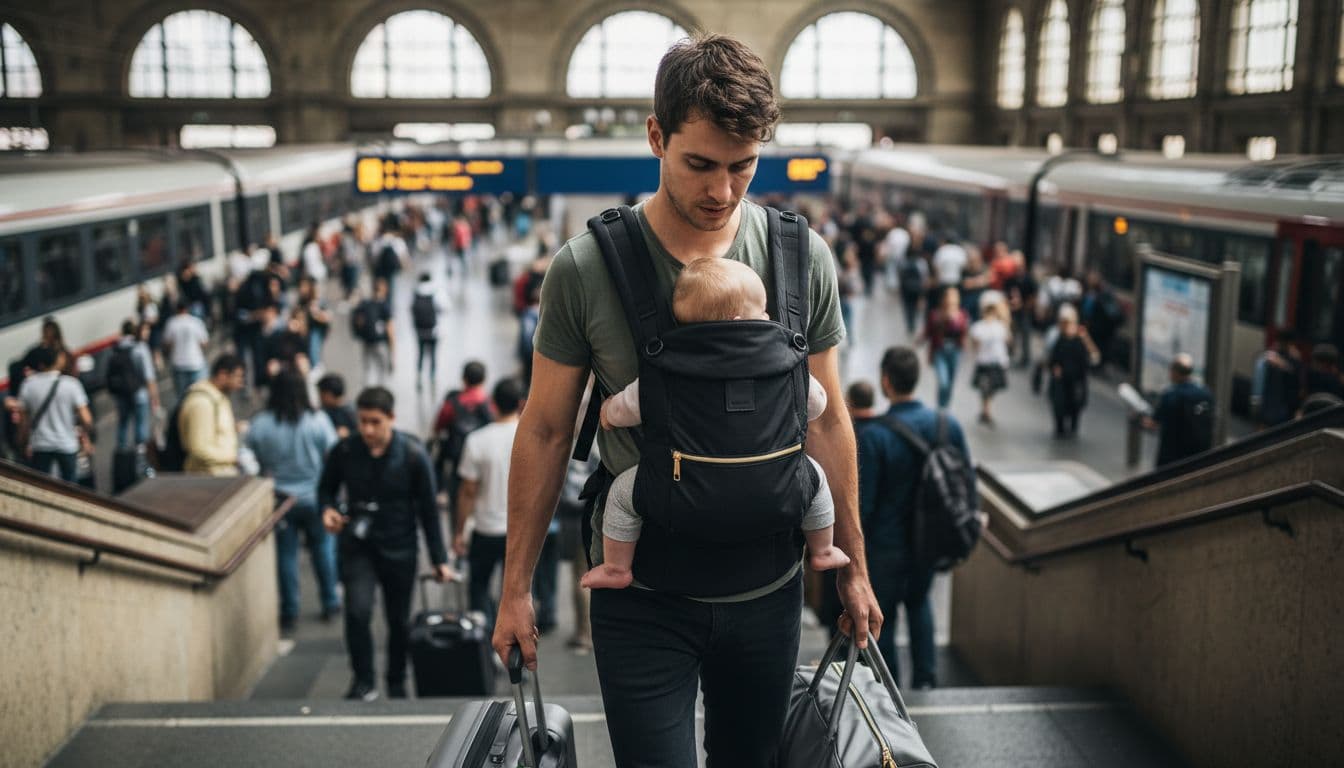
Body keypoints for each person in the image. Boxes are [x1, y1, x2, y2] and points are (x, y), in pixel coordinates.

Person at [497, 35, 878, 768]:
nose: (723, 192)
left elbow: (829, 419)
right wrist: (516, 588)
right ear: (656, 137)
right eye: (700, 164)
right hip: (642, 593)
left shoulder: (802, 259)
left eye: (743, 166)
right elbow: (545, 430)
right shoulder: (586, 268)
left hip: (768, 589)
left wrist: (854, 568)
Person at [581, 258, 849, 590]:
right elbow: (817, 404)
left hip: (683, 493)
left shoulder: (668, 364)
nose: (768, 317)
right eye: (762, 312)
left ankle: (616, 568)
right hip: (774, 486)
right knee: (816, 477)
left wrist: (608, 412)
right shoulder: (783, 361)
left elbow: (632, 405)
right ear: (739, 322)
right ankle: (823, 550)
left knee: (621, 495)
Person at [319, 386, 452, 702]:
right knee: (357, 612)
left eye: (375, 422)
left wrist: (439, 559)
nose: (367, 430)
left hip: (400, 546)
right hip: (359, 546)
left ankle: (396, 679)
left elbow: (428, 511)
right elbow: (326, 489)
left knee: (398, 619)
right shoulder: (345, 451)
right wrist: (328, 510)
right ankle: (363, 680)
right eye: (362, 421)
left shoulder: (412, 454)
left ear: (391, 418)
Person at [858, 346, 971, 689]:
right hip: (930, 539)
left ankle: (890, 688)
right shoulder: (946, 424)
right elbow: (966, 481)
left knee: (885, 614)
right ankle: (926, 680)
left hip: (886, 544)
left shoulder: (874, 435)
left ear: (886, 381)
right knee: (920, 602)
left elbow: (864, 503)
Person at [245, 369, 340, 632]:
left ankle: (290, 610)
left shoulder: (261, 424)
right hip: (315, 497)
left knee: (286, 555)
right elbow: (334, 454)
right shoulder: (318, 421)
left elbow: (246, 453)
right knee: (323, 550)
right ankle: (330, 601)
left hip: (280, 501)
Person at [453, 378, 524, 632]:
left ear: (493, 404)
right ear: (522, 404)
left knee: (479, 586)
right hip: (520, 532)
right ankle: (514, 642)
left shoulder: (477, 440)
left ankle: (484, 639)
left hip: (485, 529)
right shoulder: (530, 438)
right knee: (516, 591)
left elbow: (468, 492)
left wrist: (459, 532)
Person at [17, 346, 93, 483]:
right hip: (67, 444)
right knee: (70, 486)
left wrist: (23, 444)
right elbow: (86, 419)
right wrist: (86, 438)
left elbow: (24, 423)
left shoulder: (28, 385)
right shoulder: (71, 384)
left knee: (43, 486)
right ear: (56, 361)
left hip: (40, 445)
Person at [431, 361, 493, 520]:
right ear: (484, 379)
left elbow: (438, 426)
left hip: (457, 455)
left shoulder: (453, 402)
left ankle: (443, 494)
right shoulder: (490, 403)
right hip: (484, 455)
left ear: (464, 379)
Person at [179, 355, 245, 476]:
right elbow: (198, 448)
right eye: (238, 377)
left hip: (223, 475)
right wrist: (231, 457)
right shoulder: (202, 403)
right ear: (223, 375)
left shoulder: (218, 397)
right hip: (210, 478)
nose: (240, 384)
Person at [1143, 353, 1215, 467]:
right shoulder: (1206, 393)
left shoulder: (1171, 395)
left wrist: (1139, 419)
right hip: (1199, 454)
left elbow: (1153, 424)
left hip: (1173, 456)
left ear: (1175, 372)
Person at [1046, 305, 1100, 438]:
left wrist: (1086, 338)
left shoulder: (1081, 337)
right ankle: (1060, 428)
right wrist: (1054, 368)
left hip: (1076, 380)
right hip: (1060, 381)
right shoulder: (1057, 337)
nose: (1066, 325)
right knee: (1059, 406)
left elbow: (1095, 357)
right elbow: (1051, 357)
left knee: (1075, 406)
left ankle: (1073, 427)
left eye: (1068, 322)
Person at [108, 319, 160, 449]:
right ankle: (140, 452)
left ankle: (122, 451)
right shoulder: (140, 347)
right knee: (141, 424)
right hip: (139, 393)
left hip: (122, 394)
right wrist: (154, 397)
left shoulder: (117, 348)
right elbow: (149, 376)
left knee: (123, 424)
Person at [920, 286, 969, 409]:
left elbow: (963, 332)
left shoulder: (961, 315)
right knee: (943, 381)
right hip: (939, 351)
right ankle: (940, 407)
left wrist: (954, 319)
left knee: (950, 382)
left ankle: (945, 407)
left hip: (955, 351)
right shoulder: (935, 314)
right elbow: (928, 332)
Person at [969, 295, 1012, 426]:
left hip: (997, 362)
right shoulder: (978, 327)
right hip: (984, 363)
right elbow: (974, 344)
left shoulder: (1000, 327)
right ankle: (986, 411)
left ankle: (985, 409)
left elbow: (1008, 341)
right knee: (985, 388)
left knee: (992, 388)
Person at [352, 278, 395, 387]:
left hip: (366, 343)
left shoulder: (365, 304)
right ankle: (380, 394)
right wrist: (392, 356)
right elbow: (390, 330)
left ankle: (366, 391)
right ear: (385, 290)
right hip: (380, 344)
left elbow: (358, 322)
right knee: (382, 373)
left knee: (367, 371)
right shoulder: (385, 306)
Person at [162, 299, 210, 396]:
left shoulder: (171, 322)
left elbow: (167, 344)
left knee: (182, 396)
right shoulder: (196, 322)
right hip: (196, 362)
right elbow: (204, 343)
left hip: (178, 363)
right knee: (199, 395)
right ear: (187, 308)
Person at [410, 273, 442, 392]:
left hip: (419, 330)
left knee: (421, 354)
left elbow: (411, 310)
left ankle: (419, 376)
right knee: (433, 354)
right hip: (433, 330)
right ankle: (432, 377)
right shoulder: (435, 292)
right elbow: (445, 308)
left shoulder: (415, 293)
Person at [296, 276, 331, 370]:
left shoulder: (318, 301)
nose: (301, 289)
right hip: (304, 332)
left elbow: (327, 317)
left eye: (304, 286)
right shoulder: (301, 301)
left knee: (313, 350)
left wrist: (315, 313)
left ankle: (316, 368)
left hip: (315, 330)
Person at [316, 373, 357, 440]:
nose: (320, 398)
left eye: (322, 394)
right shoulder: (324, 410)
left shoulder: (352, 412)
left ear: (329, 394)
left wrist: (349, 433)